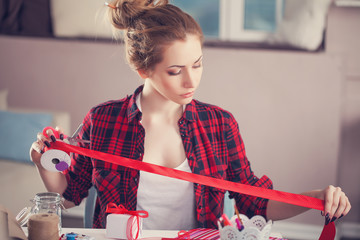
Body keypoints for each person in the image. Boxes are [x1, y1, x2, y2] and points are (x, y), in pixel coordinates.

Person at [30, 0, 351, 230]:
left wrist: (317, 198)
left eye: (197, 64)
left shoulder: (219, 125)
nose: (191, 81)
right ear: (143, 68)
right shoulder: (103, 121)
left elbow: (255, 200)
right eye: (175, 70)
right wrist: (43, 161)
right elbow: (69, 195)